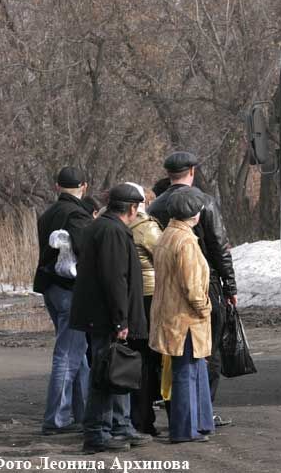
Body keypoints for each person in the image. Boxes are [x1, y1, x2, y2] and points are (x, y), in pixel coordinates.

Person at [148, 152, 238, 428]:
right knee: (205, 350)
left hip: (164, 285)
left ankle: (179, 410)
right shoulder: (203, 202)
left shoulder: (155, 207)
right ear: (192, 171)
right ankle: (202, 411)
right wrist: (230, 285)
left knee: (172, 353)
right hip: (202, 283)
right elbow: (219, 246)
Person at [70, 184, 153, 454]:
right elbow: (115, 279)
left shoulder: (102, 227)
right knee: (106, 375)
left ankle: (119, 425)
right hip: (106, 318)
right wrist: (121, 320)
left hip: (102, 316)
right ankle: (98, 432)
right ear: (132, 208)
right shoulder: (112, 231)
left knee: (118, 372)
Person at [150, 187, 214, 443]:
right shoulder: (185, 241)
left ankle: (200, 423)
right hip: (185, 319)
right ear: (194, 214)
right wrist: (205, 307)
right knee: (186, 372)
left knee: (192, 369)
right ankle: (185, 429)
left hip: (170, 315)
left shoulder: (167, 235)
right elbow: (191, 286)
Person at [34, 166, 93, 435]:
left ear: (57, 187)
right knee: (68, 354)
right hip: (71, 290)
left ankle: (81, 412)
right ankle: (56, 419)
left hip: (50, 288)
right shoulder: (78, 215)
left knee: (76, 353)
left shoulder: (47, 214)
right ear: (84, 186)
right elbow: (86, 251)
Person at [124, 183, 164, 436]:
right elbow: (162, 258)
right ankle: (144, 418)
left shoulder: (117, 225)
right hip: (149, 295)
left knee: (133, 356)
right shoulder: (147, 227)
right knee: (149, 359)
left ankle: (133, 416)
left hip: (127, 296)